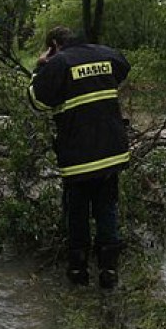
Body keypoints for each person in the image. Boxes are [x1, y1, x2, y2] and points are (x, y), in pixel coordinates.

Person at [28, 26, 131, 288]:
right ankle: (108, 271)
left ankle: (78, 271)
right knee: (107, 209)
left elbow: (37, 102)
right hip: (111, 152)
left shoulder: (59, 64)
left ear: (53, 45)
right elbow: (124, 67)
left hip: (78, 156)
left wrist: (40, 67)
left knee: (77, 213)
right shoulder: (106, 55)